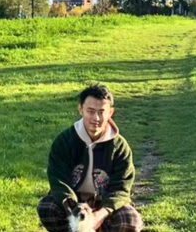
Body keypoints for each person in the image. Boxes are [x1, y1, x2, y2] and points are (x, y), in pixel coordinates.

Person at [37, 84, 143, 232]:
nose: (96, 118)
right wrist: (75, 209)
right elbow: (57, 179)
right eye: (91, 111)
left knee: (130, 220)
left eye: (102, 112)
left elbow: (122, 187)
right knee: (46, 207)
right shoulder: (64, 141)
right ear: (80, 109)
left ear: (110, 112)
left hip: (104, 203)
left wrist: (100, 214)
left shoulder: (120, 146)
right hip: (73, 203)